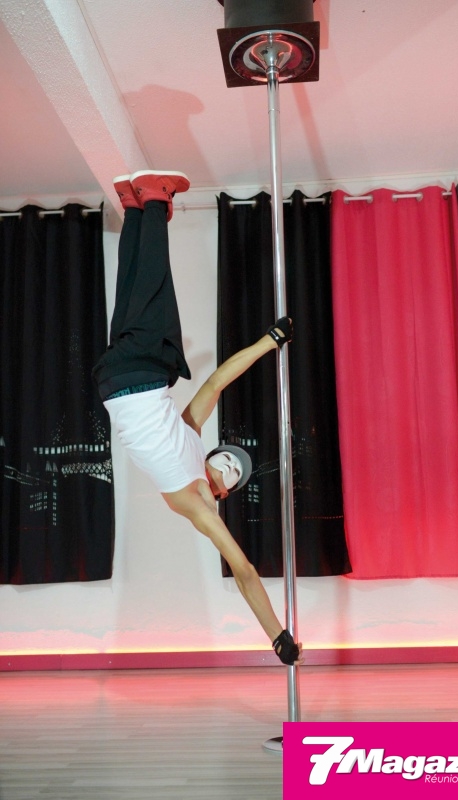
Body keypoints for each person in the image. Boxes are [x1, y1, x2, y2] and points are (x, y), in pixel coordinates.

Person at [93, 170, 302, 666]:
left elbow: (244, 570)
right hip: (120, 380)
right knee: (133, 293)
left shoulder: (197, 503)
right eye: (228, 459)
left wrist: (277, 637)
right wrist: (270, 341)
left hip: (139, 375)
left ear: (222, 493)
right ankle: (134, 208)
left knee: (154, 290)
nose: (226, 464)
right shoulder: (189, 435)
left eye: (231, 471)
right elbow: (218, 381)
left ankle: (155, 197)